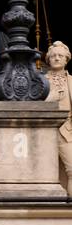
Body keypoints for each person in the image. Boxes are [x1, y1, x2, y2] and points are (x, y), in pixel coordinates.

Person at [46, 41, 71, 193]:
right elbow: (33, 104)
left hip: (67, 131)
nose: (56, 58)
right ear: (48, 59)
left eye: (60, 56)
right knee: (45, 174)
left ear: (66, 59)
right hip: (45, 131)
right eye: (53, 56)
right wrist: (51, 98)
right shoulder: (41, 81)